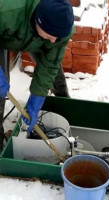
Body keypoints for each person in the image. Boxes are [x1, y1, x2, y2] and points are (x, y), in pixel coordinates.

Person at [0, 0, 74, 151]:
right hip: (5, 34)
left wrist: (38, 96)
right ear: (39, 21)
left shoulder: (61, 29)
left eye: (58, 38)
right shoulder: (7, 10)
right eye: (51, 35)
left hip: (34, 37)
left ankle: (64, 109)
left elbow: (50, 65)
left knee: (54, 74)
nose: (54, 40)